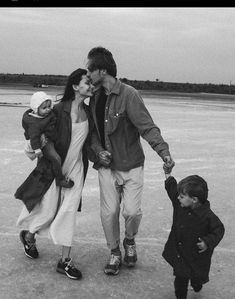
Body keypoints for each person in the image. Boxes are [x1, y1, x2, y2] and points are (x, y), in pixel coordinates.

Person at [86, 46, 175, 275]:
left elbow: (147, 127)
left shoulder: (129, 95)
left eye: (90, 69)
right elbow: (93, 133)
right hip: (107, 167)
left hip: (132, 164)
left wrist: (163, 151)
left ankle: (129, 240)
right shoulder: (93, 98)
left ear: (102, 70)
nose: (87, 74)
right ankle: (114, 251)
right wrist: (97, 151)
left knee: (132, 212)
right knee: (109, 212)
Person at [15, 68, 95, 280]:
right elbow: (33, 120)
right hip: (54, 169)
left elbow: (89, 142)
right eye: (87, 82)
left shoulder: (89, 113)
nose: (91, 86)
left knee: (68, 211)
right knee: (48, 211)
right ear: (76, 86)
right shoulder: (58, 110)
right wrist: (34, 146)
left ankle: (64, 261)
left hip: (76, 168)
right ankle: (29, 236)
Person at [162, 163, 225, 299]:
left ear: (194, 200)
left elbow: (219, 230)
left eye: (182, 196)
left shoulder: (207, 216)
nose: (178, 197)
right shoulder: (180, 204)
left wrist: (207, 242)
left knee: (197, 278)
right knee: (180, 281)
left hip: (197, 257)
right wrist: (167, 173)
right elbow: (172, 189)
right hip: (180, 254)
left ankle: (197, 283)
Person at [22, 91, 74, 188]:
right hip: (45, 143)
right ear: (36, 108)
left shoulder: (48, 114)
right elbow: (34, 137)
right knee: (56, 158)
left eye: (49, 106)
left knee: (45, 161)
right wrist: (37, 150)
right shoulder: (35, 122)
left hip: (52, 139)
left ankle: (41, 177)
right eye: (44, 108)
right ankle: (60, 179)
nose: (47, 110)